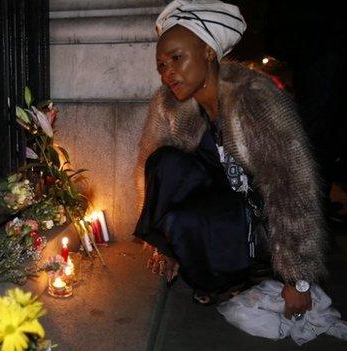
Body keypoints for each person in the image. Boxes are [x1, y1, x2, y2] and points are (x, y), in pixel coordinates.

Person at [133, 0, 326, 320]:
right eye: (162, 65)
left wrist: (297, 279)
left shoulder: (255, 97)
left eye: (177, 58)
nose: (168, 72)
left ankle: (245, 266)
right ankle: (205, 268)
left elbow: (293, 187)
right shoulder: (168, 103)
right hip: (214, 197)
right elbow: (149, 171)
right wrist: (162, 242)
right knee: (163, 160)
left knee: (206, 217)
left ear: (208, 51)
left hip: (256, 214)